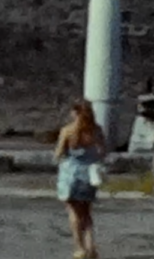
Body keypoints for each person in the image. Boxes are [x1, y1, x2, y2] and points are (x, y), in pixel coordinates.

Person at [55, 99, 105, 259]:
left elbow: (59, 153)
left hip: (71, 174)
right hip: (89, 174)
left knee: (74, 212)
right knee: (87, 213)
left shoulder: (68, 131)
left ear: (75, 113)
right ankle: (91, 246)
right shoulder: (96, 131)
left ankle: (79, 248)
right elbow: (102, 152)